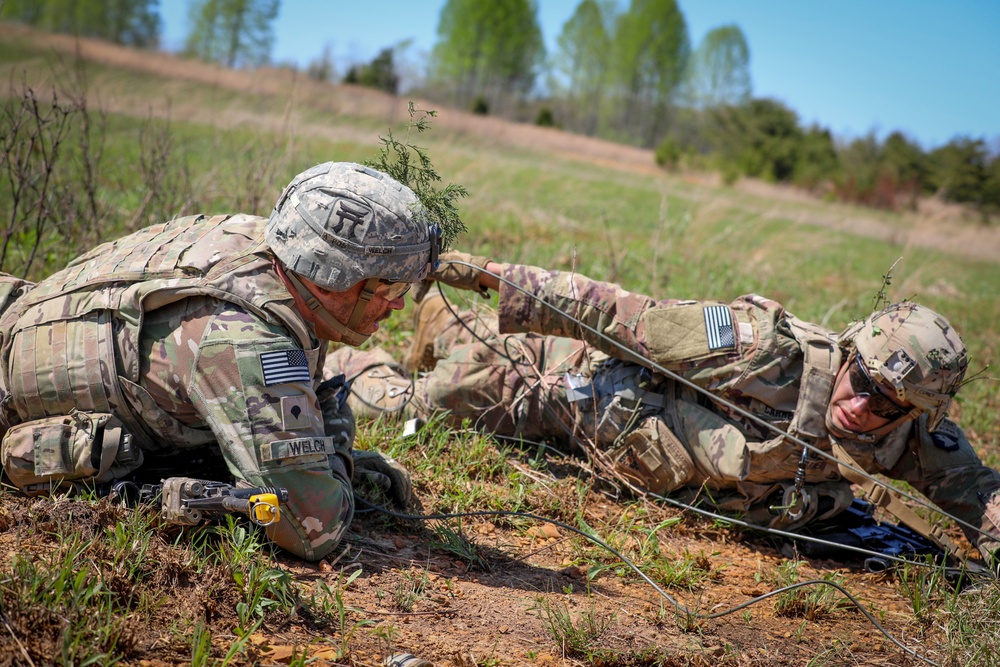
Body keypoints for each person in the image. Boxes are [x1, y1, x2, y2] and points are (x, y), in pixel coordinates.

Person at [330, 251, 1000, 566]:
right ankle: (356, 356)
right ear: (849, 351)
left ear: (918, 412)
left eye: (890, 402)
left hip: (645, 456)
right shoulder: (761, 351)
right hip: (565, 389)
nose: (865, 403)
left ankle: (443, 328)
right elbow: (615, 313)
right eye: (863, 379)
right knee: (411, 406)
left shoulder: (916, 433)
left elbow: (982, 498)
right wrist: (475, 273)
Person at [0, 161, 441, 562]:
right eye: (390, 289)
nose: (396, 306)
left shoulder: (258, 239)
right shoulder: (248, 341)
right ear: (335, 277)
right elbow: (311, 527)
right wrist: (337, 440)